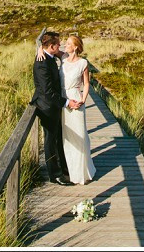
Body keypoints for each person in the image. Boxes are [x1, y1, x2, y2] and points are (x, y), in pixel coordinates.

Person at [31, 29, 80, 186]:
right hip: (47, 106)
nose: (61, 46)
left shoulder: (49, 56)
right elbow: (47, 92)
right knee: (50, 140)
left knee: (58, 138)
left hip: (53, 105)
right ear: (51, 46)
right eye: (59, 44)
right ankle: (55, 174)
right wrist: (67, 102)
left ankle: (64, 168)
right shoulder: (42, 63)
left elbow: (47, 45)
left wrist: (40, 47)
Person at [60, 33, 96, 185]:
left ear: (75, 47)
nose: (65, 45)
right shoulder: (62, 59)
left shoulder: (83, 63)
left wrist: (83, 99)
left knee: (80, 135)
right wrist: (41, 50)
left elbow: (86, 83)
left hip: (76, 98)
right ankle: (71, 170)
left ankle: (82, 172)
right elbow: (50, 49)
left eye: (68, 44)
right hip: (64, 100)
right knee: (67, 137)